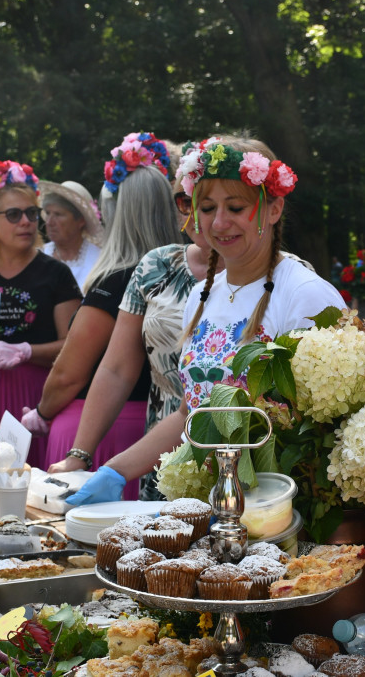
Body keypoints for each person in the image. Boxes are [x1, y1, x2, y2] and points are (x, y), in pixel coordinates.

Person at [64, 135, 345, 505]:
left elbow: (328, 428)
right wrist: (116, 469)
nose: (219, 222)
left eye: (236, 206)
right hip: (211, 507)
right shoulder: (202, 294)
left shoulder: (305, 294)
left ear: (273, 208)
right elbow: (189, 414)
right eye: (208, 207)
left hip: (279, 510)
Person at [45, 174, 226, 501]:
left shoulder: (279, 282)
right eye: (189, 203)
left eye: (229, 206)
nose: (201, 216)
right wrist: (80, 455)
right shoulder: (157, 265)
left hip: (242, 451)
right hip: (160, 447)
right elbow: (116, 368)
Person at [21, 133, 182, 493]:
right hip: (163, 428)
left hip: (104, 433)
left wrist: (42, 413)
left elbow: (69, 374)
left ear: (115, 215)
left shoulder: (116, 280)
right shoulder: (189, 274)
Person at [0, 160, 82, 468]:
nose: (26, 221)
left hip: (33, 398)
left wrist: (25, 351)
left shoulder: (56, 274)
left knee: (27, 482)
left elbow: (74, 348)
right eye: (13, 214)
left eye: (32, 213)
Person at [39, 180, 104, 290]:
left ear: (81, 221)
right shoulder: (38, 256)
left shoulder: (99, 259)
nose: (49, 222)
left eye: (58, 214)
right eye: (48, 213)